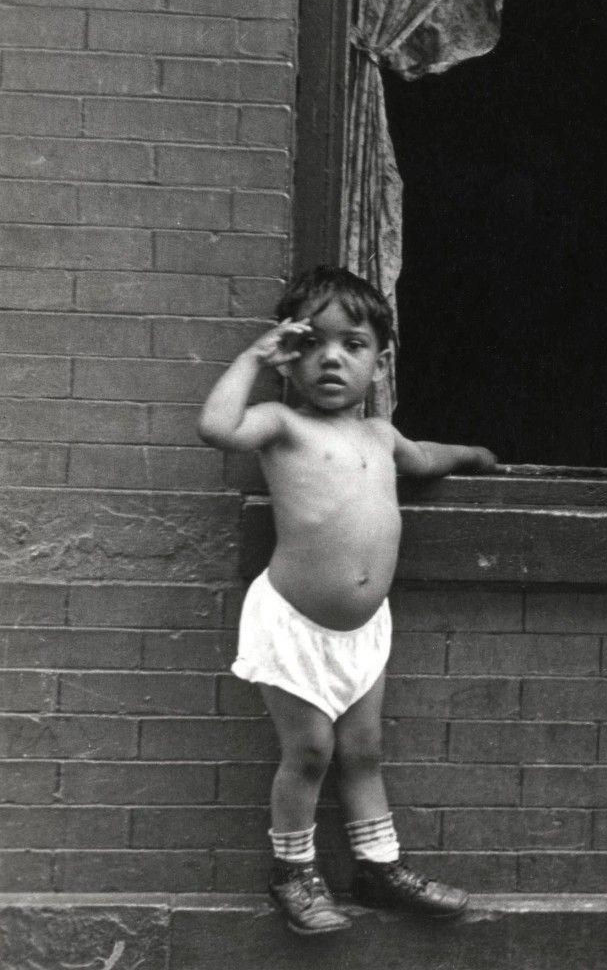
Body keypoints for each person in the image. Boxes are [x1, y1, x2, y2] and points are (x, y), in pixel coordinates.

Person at [197, 266, 497, 936]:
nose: (332, 357)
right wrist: (254, 355)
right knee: (308, 753)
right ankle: (292, 874)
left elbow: (423, 458)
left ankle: (378, 866)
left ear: (379, 360)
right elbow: (216, 428)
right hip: (296, 624)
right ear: (288, 354)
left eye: (352, 344)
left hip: (364, 631)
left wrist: (475, 453)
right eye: (313, 343)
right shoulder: (280, 422)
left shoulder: (380, 435)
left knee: (363, 751)